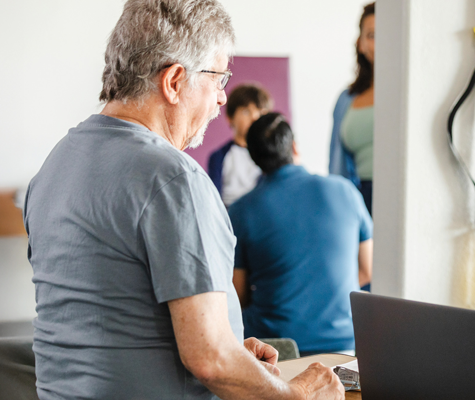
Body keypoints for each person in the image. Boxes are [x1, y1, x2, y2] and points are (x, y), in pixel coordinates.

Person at [23, 1, 343, 399]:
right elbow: (210, 361)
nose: (223, 98)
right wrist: (296, 395)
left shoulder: (55, 166)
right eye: (219, 78)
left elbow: (106, 322)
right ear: (174, 81)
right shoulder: (174, 179)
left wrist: (233, 358)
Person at [231, 113, 373, 356]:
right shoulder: (345, 190)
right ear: (294, 146)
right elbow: (366, 270)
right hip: (346, 346)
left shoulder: (241, 211)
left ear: (255, 159)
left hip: (276, 353)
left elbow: (238, 294)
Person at [328, 2, 375, 216]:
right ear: (360, 43)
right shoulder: (345, 99)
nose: (379, 43)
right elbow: (336, 165)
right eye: (372, 35)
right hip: (356, 200)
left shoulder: (406, 95)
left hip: (399, 194)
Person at [208, 83, 272, 207]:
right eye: (246, 112)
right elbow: (214, 199)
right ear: (230, 118)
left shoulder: (270, 155)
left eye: (261, 113)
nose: (255, 118)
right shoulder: (219, 157)